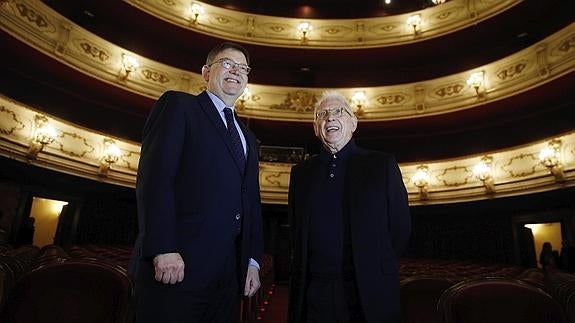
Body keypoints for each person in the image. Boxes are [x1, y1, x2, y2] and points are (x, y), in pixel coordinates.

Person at [129, 42, 263, 323]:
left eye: (243, 69)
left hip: (227, 275)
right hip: (177, 265)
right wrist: (163, 247)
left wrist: (251, 260)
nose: (235, 72)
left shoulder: (248, 138)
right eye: (227, 64)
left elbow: (251, 202)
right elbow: (156, 179)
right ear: (206, 72)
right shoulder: (179, 105)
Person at [288, 91, 411, 322]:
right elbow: (296, 230)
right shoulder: (301, 174)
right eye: (322, 114)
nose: (330, 118)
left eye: (337, 112)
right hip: (315, 290)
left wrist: (372, 263)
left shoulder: (381, 165)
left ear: (353, 123)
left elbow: (400, 226)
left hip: (368, 289)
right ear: (316, 127)